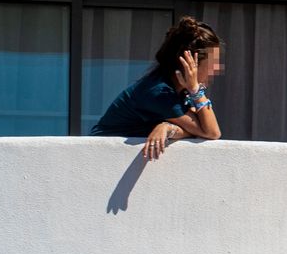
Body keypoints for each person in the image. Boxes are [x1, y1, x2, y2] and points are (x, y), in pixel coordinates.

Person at [91, 17, 223, 160]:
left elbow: (198, 129)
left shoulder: (177, 89)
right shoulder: (159, 92)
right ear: (190, 63)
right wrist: (196, 90)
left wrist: (168, 128)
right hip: (100, 159)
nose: (217, 69)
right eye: (212, 62)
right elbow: (211, 132)